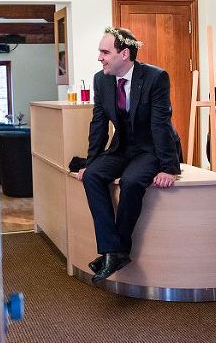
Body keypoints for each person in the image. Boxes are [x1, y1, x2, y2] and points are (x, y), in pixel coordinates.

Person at [76, 26, 182, 283]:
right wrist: (90, 163)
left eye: (104, 52)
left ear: (125, 54)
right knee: (91, 176)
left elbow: (161, 124)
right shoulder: (101, 79)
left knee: (132, 182)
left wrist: (168, 167)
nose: (99, 57)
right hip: (122, 146)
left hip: (151, 147)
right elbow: (99, 123)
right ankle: (114, 249)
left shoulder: (156, 78)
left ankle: (117, 250)